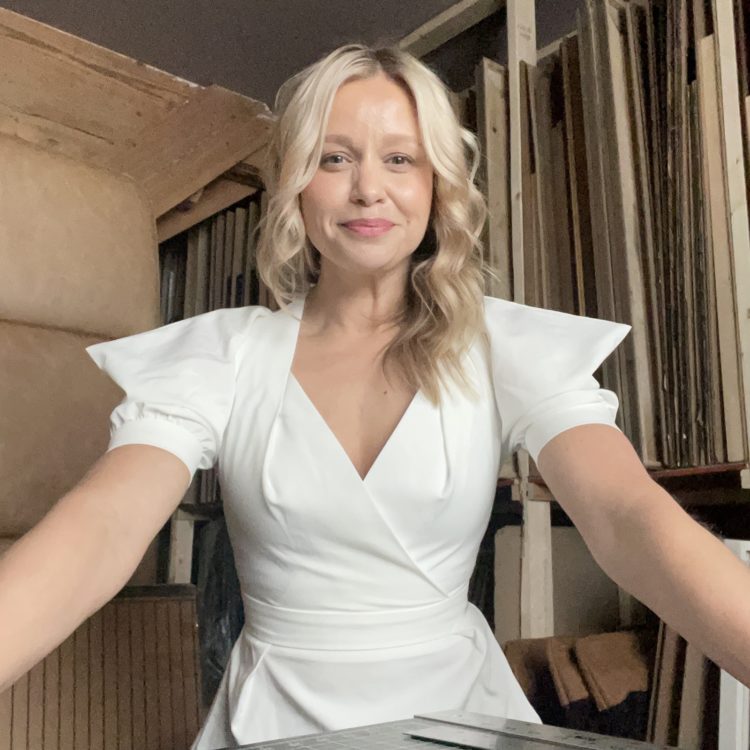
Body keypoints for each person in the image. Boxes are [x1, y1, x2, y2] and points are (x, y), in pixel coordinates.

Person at [1, 43, 749, 749]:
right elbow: (102, 526)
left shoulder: (502, 347)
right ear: (296, 180)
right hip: (273, 724)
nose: (369, 188)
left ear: (436, 185)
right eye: (335, 158)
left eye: (400, 158)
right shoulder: (223, 355)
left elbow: (628, 515)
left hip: (460, 721)